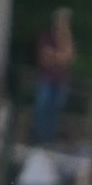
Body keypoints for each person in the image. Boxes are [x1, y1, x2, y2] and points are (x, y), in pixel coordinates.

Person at [32, 9, 74, 143]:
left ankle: (49, 140)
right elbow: (44, 59)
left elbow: (68, 58)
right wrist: (59, 57)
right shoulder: (46, 37)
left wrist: (55, 56)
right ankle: (39, 138)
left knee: (55, 111)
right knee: (42, 108)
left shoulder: (67, 39)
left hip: (61, 81)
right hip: (46, 79)